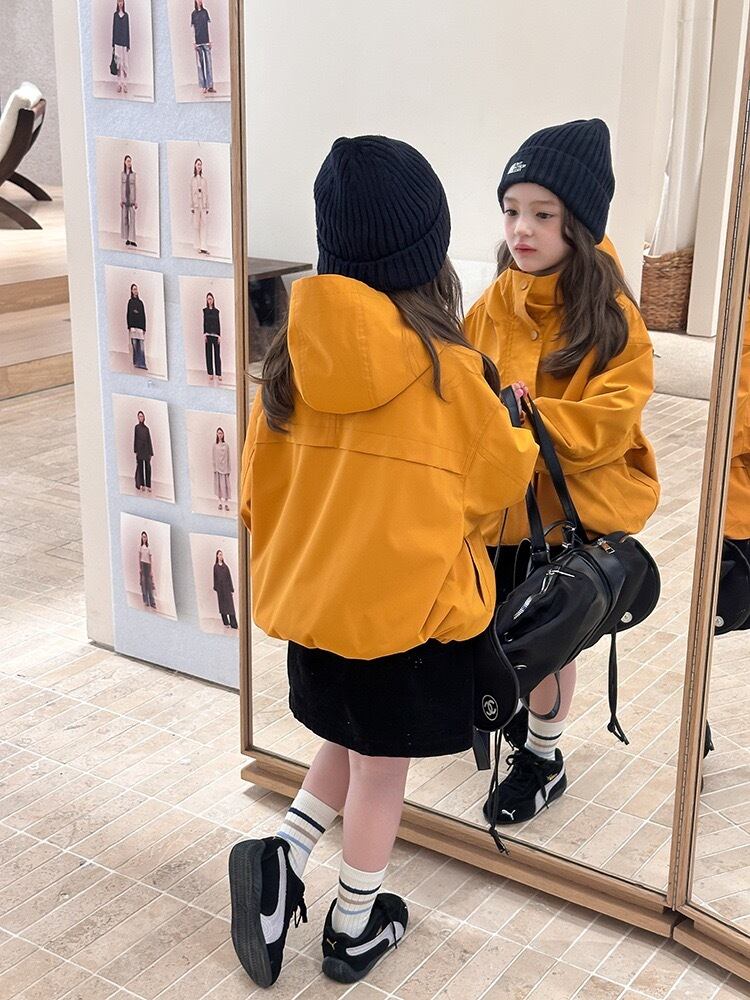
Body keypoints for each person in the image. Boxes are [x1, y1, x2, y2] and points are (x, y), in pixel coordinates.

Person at [230, 135, 538, 988]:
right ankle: (355, 925)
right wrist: (511, 423)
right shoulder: (452, 374)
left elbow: (254, 497)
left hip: (317, 614)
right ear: (429, 254)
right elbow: (497, 488)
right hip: (406, 624)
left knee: (349, 738)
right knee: (381, 773)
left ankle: (283, 859)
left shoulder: (286, 365)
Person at [464, 119, 660, 827]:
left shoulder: (612, 318)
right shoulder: (493, 301)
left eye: (543, 214)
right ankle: (514, 715)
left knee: (549, 642)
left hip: (563, 518)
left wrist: (529, 417)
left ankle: (544, 758)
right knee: (497, 627)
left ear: (577, 222)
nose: (522, 229)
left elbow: (612, 417)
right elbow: (463, 381)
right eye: (512, 210)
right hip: (497, 510)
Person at [191, 0, 216, 95]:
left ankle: (210, 86)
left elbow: (209, 26)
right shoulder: (193, 14)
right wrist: (194, 42)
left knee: (208, 64)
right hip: (198, 42)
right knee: (200, 65)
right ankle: (203, 87)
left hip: (206, 41)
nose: (200, 1)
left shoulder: (205, 12)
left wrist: (210, 40)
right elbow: (192, 28)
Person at [213, 550, 237, 628]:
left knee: (230, 606)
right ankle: (226, 623)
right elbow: (215, 578)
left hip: (227, 588)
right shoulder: (215, 567)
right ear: (217, 556)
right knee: (222, 606)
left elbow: (229, 578)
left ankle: (234, 624)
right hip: (220, 590)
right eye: (219, 554)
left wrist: (231, 589)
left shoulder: (226, 567)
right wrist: (216, 588)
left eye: (222, 555)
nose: (221, 556)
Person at [191, 159, 210, 255]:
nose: (199, 166)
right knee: (196, 225)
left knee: (204, 225)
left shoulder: (204, 180)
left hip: (203, 205)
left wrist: (207, 207)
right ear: (195, 166)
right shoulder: (193, 180)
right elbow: (191, 194)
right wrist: (192, 206)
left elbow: (206, 194)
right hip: (196, 205)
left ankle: (204, 247)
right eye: (198, 164)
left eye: (200, 165)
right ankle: (197, 246)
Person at [127, 283, 147, 370]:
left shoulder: (140, 303)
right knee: (135, 345)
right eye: (134, 289)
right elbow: (128, 314)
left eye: (136, 289)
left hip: (140, 327)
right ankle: (136, 362)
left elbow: (143, 315)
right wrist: (129, 326)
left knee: (141, 346)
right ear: (131, 291)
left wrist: (144, 328)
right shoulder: (130, 302)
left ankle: (142, 363)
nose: (135, 291)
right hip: (133, 327)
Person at [112, 0, 130, 95]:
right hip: (117, 43)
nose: (120, 4)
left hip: (124, 43)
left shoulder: (126, 16)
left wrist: (128, 44)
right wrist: (113, 44)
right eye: (119, 2)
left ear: (123, 3)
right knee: (118, 64)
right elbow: (113, 29)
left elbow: (128, 30)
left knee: (125, 64)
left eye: (121, 2)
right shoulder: (115, 15)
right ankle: (119, 84)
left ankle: (125, 84)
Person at [133, 410, 153, 493]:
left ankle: (148, 485)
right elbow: (135, 438)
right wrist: (135, 450)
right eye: (139, 416)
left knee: (148, 468)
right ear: (138, 418)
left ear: (144, 417)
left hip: (146, 450)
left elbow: (149, 440)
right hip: (140, 450)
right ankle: (142, 484)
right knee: (140, 467)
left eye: (142, 416)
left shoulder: (146, 429)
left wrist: (151, 452)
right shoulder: (136, 427)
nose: (140, 418)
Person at [204, 291, 221, 380]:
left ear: (213, 300)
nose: (209, 301)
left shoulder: (216, 311)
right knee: (208, 354)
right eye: (208, 299)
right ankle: (210, 373)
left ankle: (219, 373)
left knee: (217, 355)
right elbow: (204, 322)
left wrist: (219, 336)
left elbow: (218, 323)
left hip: (215, 335)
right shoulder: (205, 311)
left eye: (210, 299)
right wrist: (204, 334)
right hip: (208, 335)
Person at [121, 155, 137, 248]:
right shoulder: (122, 174)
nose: (129, 163)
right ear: (124, 162)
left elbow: (135, 188)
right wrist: (121, 199)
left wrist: (136, 201)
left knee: (132, 219)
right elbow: (121, 187)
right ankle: (127, 239)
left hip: (131, 200)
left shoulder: (133, 174)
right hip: (124, 200)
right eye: (128, 161)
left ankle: (132, 240)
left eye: (130, 161)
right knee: (125, 219)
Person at [213, 426, 230, 510]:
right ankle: (219, 503)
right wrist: (214, 468)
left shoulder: (226, 445)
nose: (220, 435)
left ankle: (226, 503)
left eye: (221, 433)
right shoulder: (215, 445)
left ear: (223, 434)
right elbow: (213, 457)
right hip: (217, 468)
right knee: (219, 485)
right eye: (218, 433)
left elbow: (228, 457)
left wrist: (228, 469)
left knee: (225, 486)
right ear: (217, 434)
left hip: (225, 468)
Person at [139, 531, 156, 609]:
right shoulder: (140, 547)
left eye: (145, 537)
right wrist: (140, 568)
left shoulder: (149, 548)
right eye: (143, 537)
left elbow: (150, 559)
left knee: (149, 584)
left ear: (147, 538)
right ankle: (146, 601)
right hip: (142, 565)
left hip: (148, 565)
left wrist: (151, 570)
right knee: (143, 583)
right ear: (141, 538)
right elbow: (139, 558)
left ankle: (152, 602)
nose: (144, 538)